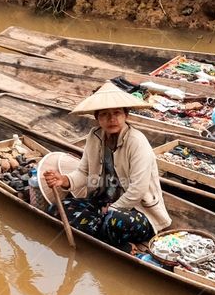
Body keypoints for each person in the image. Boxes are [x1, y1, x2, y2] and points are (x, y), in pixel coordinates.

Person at [43, 84, 171, 251]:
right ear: (97, 118)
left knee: (112, 221)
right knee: (57, 209)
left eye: (117, 113)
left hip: (137, 212)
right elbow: (84, 172)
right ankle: (109, 238)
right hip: (101, 204)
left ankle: (119, 243)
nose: (112, 119)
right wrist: (64, 180)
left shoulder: (137, 142)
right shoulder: (94, 136)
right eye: (105, 114)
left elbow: (138, 189)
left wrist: (112, 209)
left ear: (126, 114)